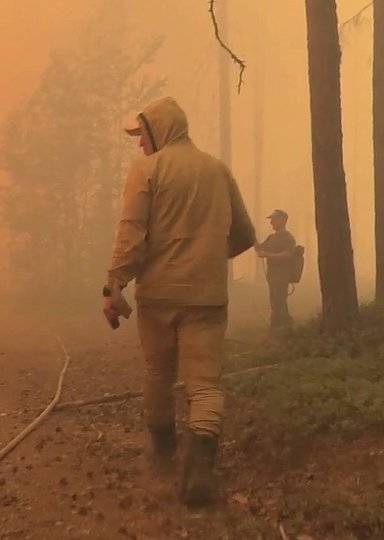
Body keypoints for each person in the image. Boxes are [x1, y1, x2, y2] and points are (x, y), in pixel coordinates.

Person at [102, 97, 256, 506]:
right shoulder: (218, 170)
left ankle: (164, 454)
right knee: (204, 382)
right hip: (206, 295)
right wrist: (204, 257)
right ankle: (201, 465)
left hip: (157, 297)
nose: (139, 145)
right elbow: (243, 235)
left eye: (141, 135)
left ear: (158, 130)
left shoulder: (147, 170)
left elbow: (132, 233)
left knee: (158, 373)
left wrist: (114, 285)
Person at [255, 210, 296, 331]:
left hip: (282, 275)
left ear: (283, 220)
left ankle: (280, 327)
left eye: (274, 219)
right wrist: (251, 237)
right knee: (275, 300)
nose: (271, 222)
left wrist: (267, 255)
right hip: (272, 275)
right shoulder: (271, 237)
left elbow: (288, 254)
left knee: (279, 300)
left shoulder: (288, 237)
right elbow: (260, 249)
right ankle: (283, 326)